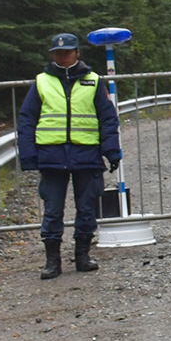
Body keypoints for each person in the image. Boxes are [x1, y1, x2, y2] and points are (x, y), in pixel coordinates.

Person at [16, 33, 122, 280]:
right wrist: (29, 156)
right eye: (58, 53)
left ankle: (82, 256)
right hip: (52, 157)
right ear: (53, 54)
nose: (62, 56)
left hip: (86, 155)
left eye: (67, 52)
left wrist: (112, 151)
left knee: (87, 208)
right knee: (52, 210)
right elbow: (27, 120)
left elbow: (107, 119)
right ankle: (52, 261)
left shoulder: (94, 81)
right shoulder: (41, 82)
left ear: (77, 53)